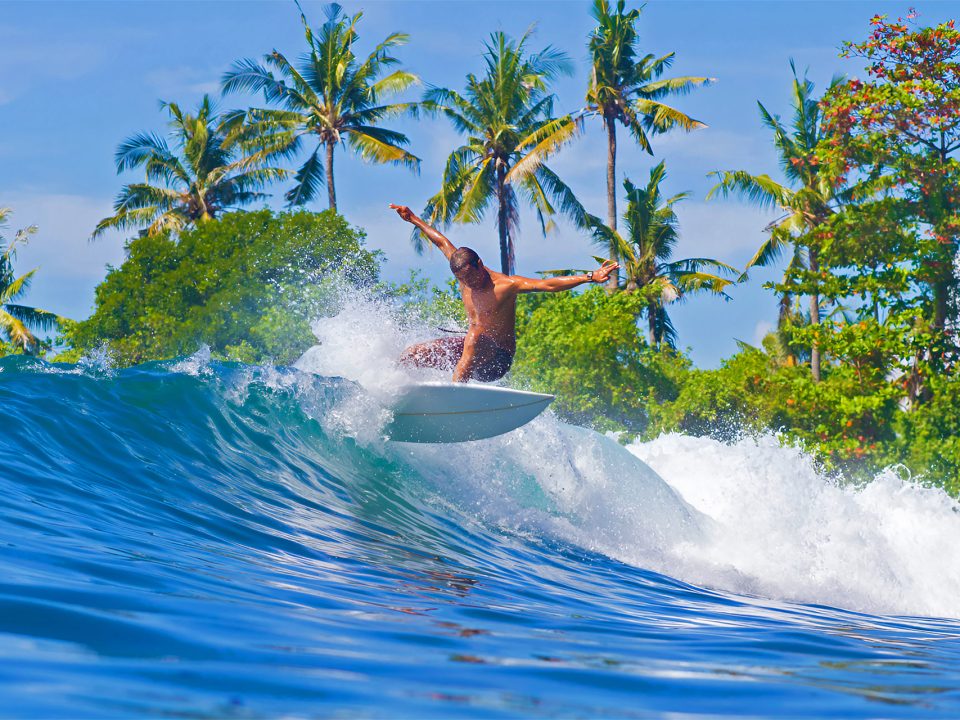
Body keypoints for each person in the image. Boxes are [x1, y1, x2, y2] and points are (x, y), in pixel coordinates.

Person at [389, 204, 619, 383]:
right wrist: (413, 218)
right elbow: (442, 243)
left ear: (480, 264)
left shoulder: (506, 285)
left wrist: (590, 276)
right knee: (414, 354)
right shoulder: (462, 270)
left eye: (471, 277)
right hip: (470, 351)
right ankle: (395, 389)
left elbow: (548, 284)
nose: (469, 283)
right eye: (463, 280)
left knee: (474, 335)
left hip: (497, 360)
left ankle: (455, 396)